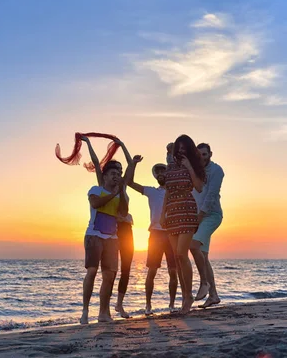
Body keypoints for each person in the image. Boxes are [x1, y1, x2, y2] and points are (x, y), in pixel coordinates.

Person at [81, 136, 136, 319]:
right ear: (105, 176)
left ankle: (104, 313)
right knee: (92, 271)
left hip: (112, 238)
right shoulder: (96, 189)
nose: (117, 176)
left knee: (110, 275)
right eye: (113, 174)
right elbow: (96, 204)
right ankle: (85, 311)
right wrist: (88, 143)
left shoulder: (120, 194)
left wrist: (120, 191)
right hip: (94, 236)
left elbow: (123, 212)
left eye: (119, 174)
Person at [160, 135, 206, 315]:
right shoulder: (170, 165)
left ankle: (189, 295)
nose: (180, 151)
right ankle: (184, 296)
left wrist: (189, 167)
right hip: (171, 211)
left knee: (181, 253)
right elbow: (167, 191)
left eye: (183, 148)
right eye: (177, 148)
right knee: (177, 258)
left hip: (187, 209)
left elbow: (199, 187)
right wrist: (163, 213)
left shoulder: (194, 165)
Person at [128, 161, 178, 314]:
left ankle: (172, 305)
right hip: (155, 234)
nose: (161, 174)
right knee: (152, 271)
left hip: (172, 233)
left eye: (164, 171)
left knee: (173, 271)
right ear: (155, 176)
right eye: (158, 172)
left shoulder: (175, 191)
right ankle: (148, 306)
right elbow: (129, 182)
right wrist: (134, 164)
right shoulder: (151, 191)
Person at [190, 143, 224, 309]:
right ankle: (213, 295)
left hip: (212, 215)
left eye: (204, 154)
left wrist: (199, 217)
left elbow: (211, 195)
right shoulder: (194, 169)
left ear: (210, 154)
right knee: (203, 255)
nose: (202, 157)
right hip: (198, 216)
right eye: (199, 155)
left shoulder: (217, 170)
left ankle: (204, 283)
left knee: (193, 245)